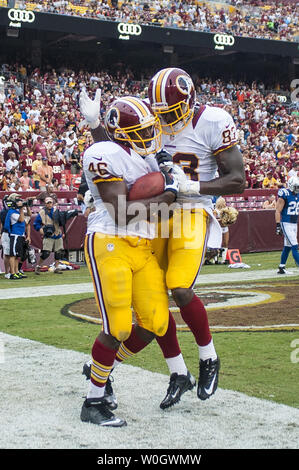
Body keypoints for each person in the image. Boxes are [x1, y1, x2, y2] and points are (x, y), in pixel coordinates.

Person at [79, 68, 245, 409]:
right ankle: (175, 372)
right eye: (159, 115)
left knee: (179, 287)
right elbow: (119, 153)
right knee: (151, 314)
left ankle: (208, 357)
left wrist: (193, 187)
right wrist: (97, 128)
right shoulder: (149, 123)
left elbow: (238, 180)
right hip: (153, 217)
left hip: (189, 210)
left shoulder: (212, 121)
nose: (165, 121)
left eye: (169, 114)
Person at [80, 96, 181, 427]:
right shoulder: (100, 154)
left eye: (149, 128)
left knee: (155, 322)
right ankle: (93, 402)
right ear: (121, 134)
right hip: (110, 241)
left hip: (142, 245)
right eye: (141, 130)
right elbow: (119, 210)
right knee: (119, 327)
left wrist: (170, 176)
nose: (149, 136)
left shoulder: (143, 156)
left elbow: (139, 168)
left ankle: (103, 370)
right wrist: (166, 195)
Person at [33, 196, 64, 274]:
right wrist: (40, 230)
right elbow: (36, 223)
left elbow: (61, 221)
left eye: (51, 203)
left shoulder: (57, 210)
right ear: (45, 204)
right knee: (46, 253)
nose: (50, 204)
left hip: (57, 233)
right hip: (48, 234)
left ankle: (56, 267)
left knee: (58, 252)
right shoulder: (42, 212)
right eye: (48, 203)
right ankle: (38, 266)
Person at [275, 175, 299, 274]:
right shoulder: (284, 193)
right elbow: (277, 211)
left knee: (288, 246)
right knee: (294, 245)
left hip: (294, 223)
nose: (297, 188)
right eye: (296, 186)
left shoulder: (297, 194)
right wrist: (278, 225)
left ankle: (281, 267)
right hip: (286, 223)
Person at [3, 195, 28, 280]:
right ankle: (12, 273)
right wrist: (21, 209)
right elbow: (21, 219)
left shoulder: (16, 211)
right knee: (12, 255)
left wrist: (25, 206)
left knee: (17, 255)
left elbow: (27, 217)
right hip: (15, 235)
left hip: (20, 235)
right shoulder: (12, 212)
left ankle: (16, 272)